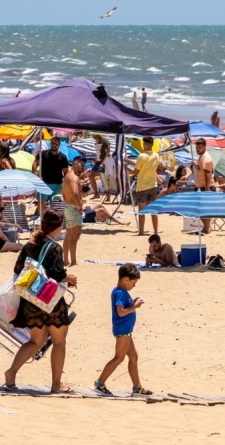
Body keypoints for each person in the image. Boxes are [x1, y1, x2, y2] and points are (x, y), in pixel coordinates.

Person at [6, 209, 78, 394]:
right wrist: (68, 277)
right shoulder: (55, 247)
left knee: (35, 342)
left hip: (31, 300)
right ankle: (56, 384)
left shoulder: (29, 244)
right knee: (59, 342)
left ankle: (11, 373)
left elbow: (17, 268)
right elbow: (57, 274)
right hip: (50, 301)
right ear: (58, 227)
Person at [93, 263, 152, 396]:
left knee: (133, 356)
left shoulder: (119, 291)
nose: (134, 285)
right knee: (118, 358)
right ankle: (100, 383)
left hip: (126, 331)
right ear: (126, 279)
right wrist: (135, 307)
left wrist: (132, 302)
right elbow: (121, 312)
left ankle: (137, 387)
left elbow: (123, 307)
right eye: (134, 282)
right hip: (123, 331)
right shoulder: (121, 293)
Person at [130, 136, 160, 236]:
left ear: (145, 144)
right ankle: (155, 231)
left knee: (141, 211)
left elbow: (136, 171)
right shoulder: (156, 156)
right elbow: (148, 166)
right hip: (153, 185)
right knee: (153, 211)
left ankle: (141, 232)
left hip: (142, 185)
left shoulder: (141, 156)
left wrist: (127, 169)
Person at [32, 137, 69, 216]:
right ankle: (44, 220)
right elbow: (35, 164)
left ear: (59, 145)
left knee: (55, 206)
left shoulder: (63, 157)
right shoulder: (43, 154)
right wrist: (35, 175)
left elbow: (66, 171)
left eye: (56, 144)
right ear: (50, 144)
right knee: (42, 204)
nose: (54, 145)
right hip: (43, 183)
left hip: (57, 184)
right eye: (52, 143)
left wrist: (64, 184)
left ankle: (53, 221)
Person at [61, 156, 85, 266]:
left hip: (68, 207)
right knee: (75, 236)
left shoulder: (67, 176)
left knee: (68, 235)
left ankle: (66, 260)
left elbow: (63, 193)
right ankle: (73, 261)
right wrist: (79, 206)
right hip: (74, 208)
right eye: (81, 164)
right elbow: (75, 194)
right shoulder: (74, 178)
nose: (83, 167)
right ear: (75, 163)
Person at [194, 138, 215, 234]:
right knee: (202, 209)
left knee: (201, 209)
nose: (198, 149)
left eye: (200, 147)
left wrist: (206, 190)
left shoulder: (206, 158)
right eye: (197, 147)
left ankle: (207, 227)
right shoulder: (201, 157)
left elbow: (207, 174)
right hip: (202, 187)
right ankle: (206, 227)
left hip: (206, 187)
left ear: (204, 147)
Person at [89, 134, 109, 199]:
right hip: (97, 162)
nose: (94, 138)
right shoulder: (97, 142)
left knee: (104, 179)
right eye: (93, 136)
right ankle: (96, 193)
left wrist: (103, 163)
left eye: (94, 136)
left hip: (103, 163)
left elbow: (108, 154)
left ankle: (108, 195)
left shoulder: (105, 141)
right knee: (91, 176)